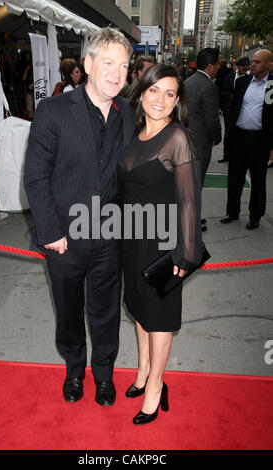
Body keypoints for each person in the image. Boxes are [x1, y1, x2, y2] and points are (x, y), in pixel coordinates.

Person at [24, 27, 135, 407]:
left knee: (106, 310)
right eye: (108, 63)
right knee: (69, 309)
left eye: (123, 65)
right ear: (87, 64)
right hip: (64, 238)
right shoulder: (54, 111)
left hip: (110, 235)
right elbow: (35, 176)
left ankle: (104, 375)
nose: (117, 73)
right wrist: (51, 231)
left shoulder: (128, 114)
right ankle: (75, 369)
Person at [117, 64, 203, 425]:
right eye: (154, 91)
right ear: (142, 93)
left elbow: (189, 201)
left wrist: (186, 252)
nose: (161, 100)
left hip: (164, 243)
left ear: (177, 100)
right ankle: (142, 370)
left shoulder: (177, 138)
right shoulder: (134, 134)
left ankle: (156, 386)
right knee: (139, 309)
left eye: (170, 93)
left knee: (161, 317)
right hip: (132, 238)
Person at [221, 49, 273, 230]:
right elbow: (232, 105)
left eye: (258, 62)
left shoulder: (271, 86)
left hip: (260, 140)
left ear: (269, 65)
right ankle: (232, 212)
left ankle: (255, 215)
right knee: (234, 177)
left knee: (258, 180)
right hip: (239, 137)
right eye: (253, 61)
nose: (253, 64)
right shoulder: (243, 82)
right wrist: (230, 128)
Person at [184, 48, 222, 231]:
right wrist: (218, 137)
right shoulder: (209, 87)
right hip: (200, 145)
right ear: (210, 66)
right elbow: (211, 118)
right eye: (218, 64)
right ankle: (191, 223)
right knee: (196, 184)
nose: (219, 67)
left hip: (185, 142)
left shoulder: (187, 82)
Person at [218, 57, 250, 163]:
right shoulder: (229, 78)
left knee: (240, 135)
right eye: (242, 65)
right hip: (229, 111)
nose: (245, 67)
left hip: (243, 112)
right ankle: (226, 155)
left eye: (246, 65)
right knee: (228, 134)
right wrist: (230, 97)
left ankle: (238, 156)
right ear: (238, 66)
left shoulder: (249, 79)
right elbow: (222, 91)